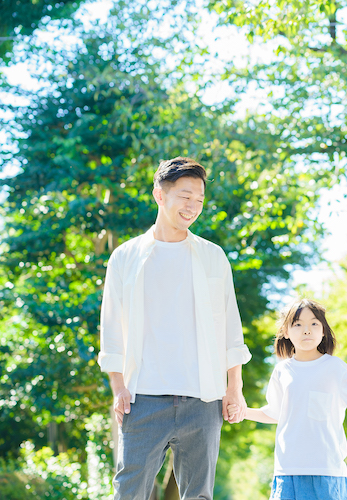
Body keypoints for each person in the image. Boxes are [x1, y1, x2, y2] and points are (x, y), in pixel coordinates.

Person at [98, 157, 251, 500]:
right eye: (185, 196)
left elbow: (230, 324)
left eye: (199, 199)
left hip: (203, 400)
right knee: (129, 492)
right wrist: (118, 386)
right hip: (143, 398)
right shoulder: (126, 257)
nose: (193, 206)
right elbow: (111, 326)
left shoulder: (213, 257)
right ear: (160, 195)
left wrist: (234, 386)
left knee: (198, 495)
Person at [228, 298, 347, 500]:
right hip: (287, 470)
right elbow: (275, 413)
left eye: (314, 323)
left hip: (327, 471)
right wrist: (242, 411)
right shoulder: (282, 370)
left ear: (324, 330)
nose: (306, 330)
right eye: (297, 324)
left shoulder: (335, 368)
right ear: (285, 332)